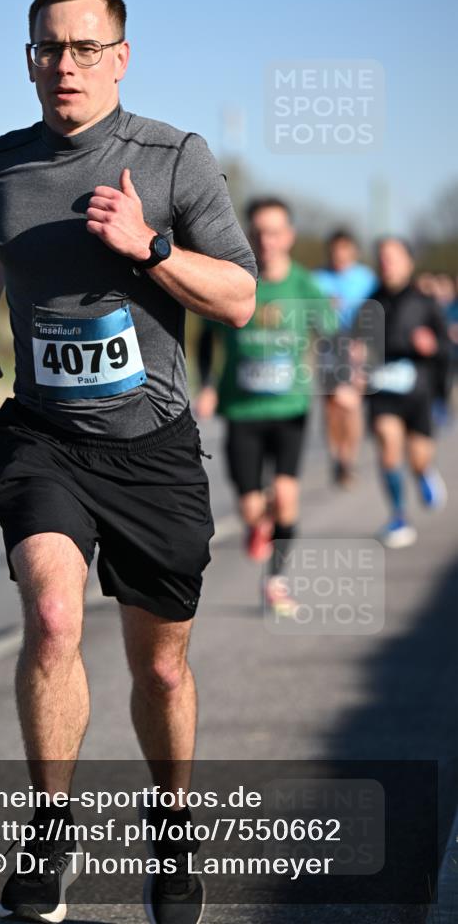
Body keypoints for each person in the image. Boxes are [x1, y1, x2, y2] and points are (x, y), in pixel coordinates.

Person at [0, 0, 257, 924]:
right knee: (51, 617)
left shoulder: (173, 159)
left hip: (153, 449)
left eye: (85, 48)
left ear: (119, 57)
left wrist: (151, 247)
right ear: (28, 58)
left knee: (160, 667)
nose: (65, 65)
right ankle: (51, 829)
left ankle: (171, 822)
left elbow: (241, 296)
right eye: (49, 47)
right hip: (45, 438)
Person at [196, 198, 336, 617]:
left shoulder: (305, 286)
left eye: (274, 232)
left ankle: (275, 582)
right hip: (242, 410)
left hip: (290, 406)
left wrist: (342, 381)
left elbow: (331, 337)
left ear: (289, 236)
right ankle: (259, 523)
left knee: (288, 498)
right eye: (257, 231)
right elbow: (206, 338)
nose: (266, 240)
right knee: (251, 508)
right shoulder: (234, 279)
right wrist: (206, 385)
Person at [356, 237, 450, 548]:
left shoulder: (425, 302)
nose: (387, 263)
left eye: (393, 257)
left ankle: (424, 473)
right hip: (383, 389)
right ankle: (398, 515)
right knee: (388, 445)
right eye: (382, 257)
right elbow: (354, 345)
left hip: (418, 389)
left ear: (409, 262)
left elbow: (448, 348)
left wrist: (434, 346)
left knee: (418, 457)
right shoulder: (369, 303)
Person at [313, 229, 377, 486]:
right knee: (331, 406)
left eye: (344, 249)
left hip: (357, 346)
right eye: (335, 250)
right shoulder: (317, 278)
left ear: (353, 251)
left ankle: (348, 458)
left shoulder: (367, 278)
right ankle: (336, 455)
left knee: (351, 404)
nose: (339, 255)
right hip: (328, 345)